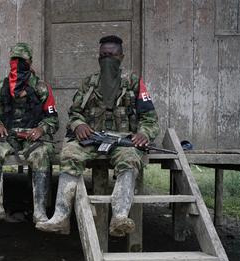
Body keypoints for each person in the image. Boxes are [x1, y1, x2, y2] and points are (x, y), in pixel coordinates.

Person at [36, 35, 159, 235]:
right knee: (69, 154)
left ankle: (119, 217)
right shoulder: (89, 83)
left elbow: (150, 118)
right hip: (92, 138)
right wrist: (78, 125)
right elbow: (74, 113)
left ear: (121, 56)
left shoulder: (134, 83)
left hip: (122, 140)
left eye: (111, 55)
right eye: (103, 55)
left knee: (130, 159)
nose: (106, 59)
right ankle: (60, 216)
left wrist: (144, 133)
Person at [0, 42, 58, 224]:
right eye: (14, 60)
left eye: (21, 60)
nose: (17, 64)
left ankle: (39, 210)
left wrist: (41, 129)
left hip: (32, 139)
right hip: (7, 137)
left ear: (30, 61)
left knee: (42, 153)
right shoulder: (2, 86)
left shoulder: (41, 88)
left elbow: (53, 119)